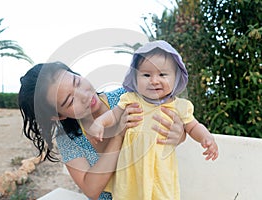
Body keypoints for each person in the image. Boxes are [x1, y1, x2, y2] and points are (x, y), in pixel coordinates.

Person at [18, 61, 186, 200]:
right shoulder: (68, 138)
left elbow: (176, 129)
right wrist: (118, 135)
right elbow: (91, 189)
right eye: (70, 101)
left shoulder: (128, 97)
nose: (84, 95)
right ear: (58, 116)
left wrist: (178, 134)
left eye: (76, 82)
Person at [88, 40, 219, 199]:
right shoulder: (131, 99)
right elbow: (114, 115)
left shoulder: (179, 106)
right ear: (135, 77)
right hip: (130, 173)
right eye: (146, 75)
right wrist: (99, 122)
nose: (154, 80)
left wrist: (206, 137)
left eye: (162, 74)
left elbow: (193, 126)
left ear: (176, 77)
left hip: (161, 173)